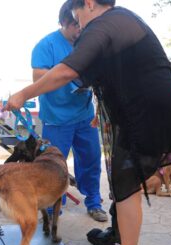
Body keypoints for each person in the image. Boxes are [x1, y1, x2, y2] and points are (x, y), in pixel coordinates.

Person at [4, 0, 171, 245]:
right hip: (154, 110)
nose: (79, 24)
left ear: (88, 4)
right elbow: (110, 75)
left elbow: (65, 72)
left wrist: (22, 94)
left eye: (78, 16)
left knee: (126, 186)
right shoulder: (125, 20)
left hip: (143, 115)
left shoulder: (102, 25)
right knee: (126, 186)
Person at [86, 78, 171, 245]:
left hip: (133, 133)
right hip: (131, 131)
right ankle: (121, 237)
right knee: (125, 185)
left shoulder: (124, 70)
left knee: (124, 186)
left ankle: (120, 240)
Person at [31, 0, 107, 222]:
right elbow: (38, 78)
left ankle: (93, 202)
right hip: (56, 119)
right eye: (76, 25)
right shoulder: (46, 45)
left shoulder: (86, 42)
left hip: (85, 117)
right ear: (64, 22)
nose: (80, 29)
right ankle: (55, 206)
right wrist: (68, 78)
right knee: (54, 166)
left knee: (91, 160)